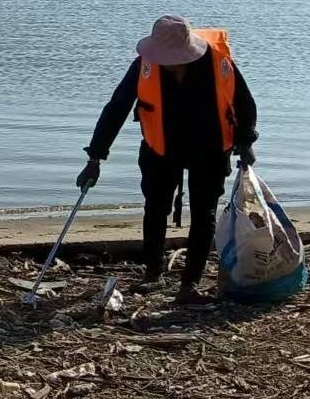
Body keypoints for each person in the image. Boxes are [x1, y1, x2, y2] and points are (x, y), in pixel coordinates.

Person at [79, 15, 258, 303]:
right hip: (160, 147)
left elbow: (244, 102)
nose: (171, 62)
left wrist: (246, 141)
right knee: (155, 208)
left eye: (176, 57)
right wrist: (95, 157)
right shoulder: (143, 66)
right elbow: (117, 108)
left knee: (204, 215)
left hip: (209, 148)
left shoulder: (218, 63)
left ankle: (190, 284)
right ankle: (153, 272)